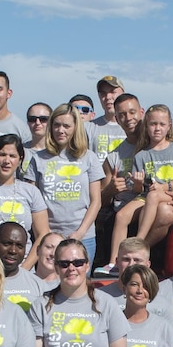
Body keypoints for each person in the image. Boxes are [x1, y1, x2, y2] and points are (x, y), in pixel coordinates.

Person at [105, 103, 173, 268]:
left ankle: (139, 241)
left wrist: (166, 187)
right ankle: (113, 262)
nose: (157, 128)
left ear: (169, 126)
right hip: (146, 195)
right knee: (121, 216)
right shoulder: (141, 155)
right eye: (153, 124)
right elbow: (138, 190)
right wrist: (138, 184)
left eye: (162, 124)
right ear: (146, 126)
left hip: (168, 194)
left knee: (154, 196)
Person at [35, 104, 106, 261]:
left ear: (75, 128)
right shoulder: (38, 158)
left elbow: (96, 201)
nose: (61, 130)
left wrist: (79, 234)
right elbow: (33, 201)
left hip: (83, 237)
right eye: (56, 125)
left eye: (66, 126)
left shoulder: (89, 158)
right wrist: (46, 234)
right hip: (48, 236)